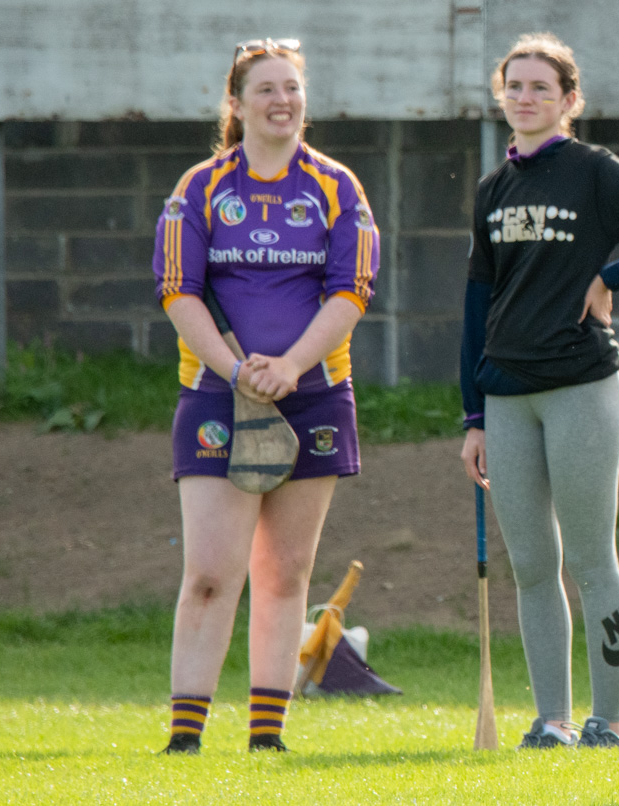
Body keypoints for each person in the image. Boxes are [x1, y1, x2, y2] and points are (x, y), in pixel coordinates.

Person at [459, 32, 619, 751]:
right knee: (532, 564)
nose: (526, 98)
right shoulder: (492, 189)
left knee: (591, 559)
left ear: (569, 100)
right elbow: (477, 305)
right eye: (515, 86)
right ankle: (551, 721)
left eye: (542, 87)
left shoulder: (593, 171)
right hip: (505, 397)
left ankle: (607, 722)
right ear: (501, 96)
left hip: (580, 387)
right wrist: (472, 413)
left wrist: (611, 278)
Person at [151, 37, 379, 754]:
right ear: (236, 103)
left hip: (313, 396)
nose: (283, 101)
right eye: (266, 90)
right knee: (212, 576)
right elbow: (177, 290)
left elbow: (351, 290)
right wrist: (235, 370)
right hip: (217, 398)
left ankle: (265, 740)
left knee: (283, 575)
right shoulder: (201, 187)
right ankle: (185, 739)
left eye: (292, 89)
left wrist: (288, 366)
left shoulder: (338, 186)